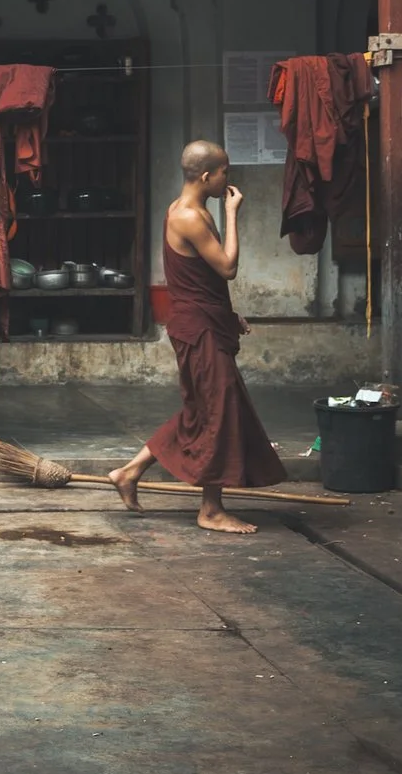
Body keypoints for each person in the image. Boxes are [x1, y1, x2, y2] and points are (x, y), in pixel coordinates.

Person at [105, 141, 289, 535]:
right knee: (217, 414)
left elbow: (200, 280)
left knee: (205, 410)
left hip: (203, 321)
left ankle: (129, 471)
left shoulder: (184, 207)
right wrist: (233, 213)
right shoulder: (189, 215)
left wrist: (226, 314)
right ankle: (210, 510)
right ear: (207, 177)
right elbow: (227, 267)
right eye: (225, 172)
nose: (229, 178)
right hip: (198, 330)